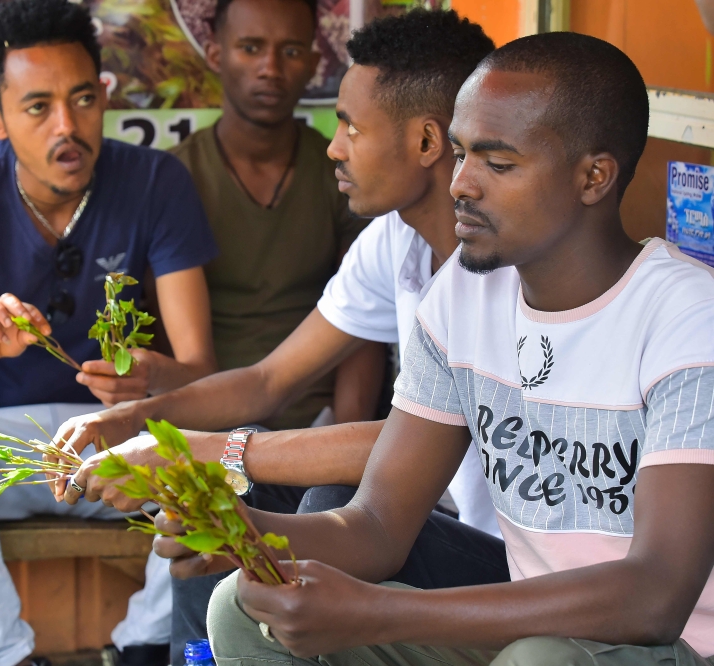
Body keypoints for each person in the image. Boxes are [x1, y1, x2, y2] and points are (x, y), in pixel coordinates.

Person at [179, 32, 714, 664]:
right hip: (525, 619)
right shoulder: (464, 293)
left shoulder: (685, 316)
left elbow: (656, 594)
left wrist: (379, 612)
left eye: (499, 163)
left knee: (538, 659)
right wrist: (247, 533)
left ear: (593, 177)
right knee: (241, 606)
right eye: (460, 154)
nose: (461, 183)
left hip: (669, 646)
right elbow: (377, 525)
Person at [52, 10, 503, 659]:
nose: (334, 146)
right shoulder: (396, 239)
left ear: (428, 143)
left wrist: (202, 448)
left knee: (320, 497)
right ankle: (192, 655)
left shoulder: (498, 269)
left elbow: (415, 441)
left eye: (351, 125)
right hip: (417, 511)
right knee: (204, 498)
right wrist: (139, 419)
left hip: (497, 556)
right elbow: (269, 379)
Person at [0, 2, 219, 666]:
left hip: (112, 444)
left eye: (81, 100)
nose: (68, 127)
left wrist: (154, 378)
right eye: (37, 108)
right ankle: (7, 653)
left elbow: (203, 372)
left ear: (103, 96)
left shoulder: (156, 182)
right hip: (0, 455)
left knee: (226, 454)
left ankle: (144, 647)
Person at [168, 0, 379, 435]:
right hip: (206, 426)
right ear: (214, 54)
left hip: (315, 426)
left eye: (291, 51)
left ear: (314, 63)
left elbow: (367, 322)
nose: (270, 68)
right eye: (249, 47)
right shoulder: (173, 179)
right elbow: (161, 339)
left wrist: (340, 446)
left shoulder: (341, 174)